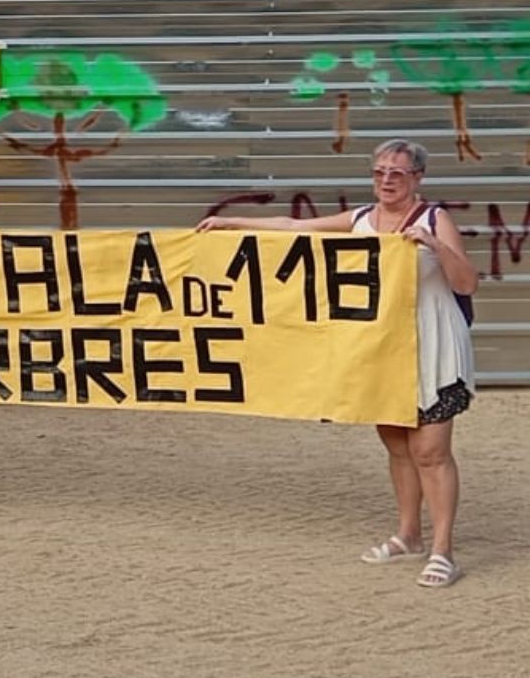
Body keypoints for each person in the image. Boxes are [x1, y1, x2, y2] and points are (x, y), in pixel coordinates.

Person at [197, 139, 477, 589]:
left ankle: (443, 550)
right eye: (379, 171)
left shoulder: (433, 219)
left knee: (431, 451)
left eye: (397, 173)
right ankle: (409, 534)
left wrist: (431, 244)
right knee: (398, 445)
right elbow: (295, 227)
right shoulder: (362, 219)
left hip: (434, 346)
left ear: (417, 178)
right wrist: (231, 222)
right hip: (385, 347)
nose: (387, 180)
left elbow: (466, 282)